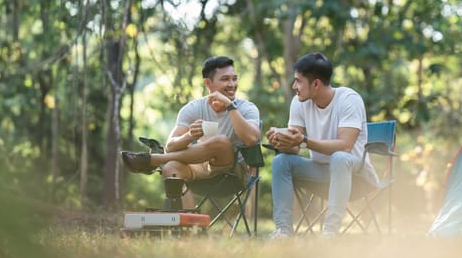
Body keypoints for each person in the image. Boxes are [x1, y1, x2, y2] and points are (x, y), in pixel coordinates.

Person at [122, 56, 261, 206]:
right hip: (200, 168)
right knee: (171, 168)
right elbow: (171, 146)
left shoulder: (247, 108)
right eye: (225, 79)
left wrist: (230, 106)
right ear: (208, 83)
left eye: (234, 79)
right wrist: (189, 136)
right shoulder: (193, 109)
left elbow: (251, 139)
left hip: (233, 175)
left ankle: (155, 160)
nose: (232, 84)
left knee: (220, 141)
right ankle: (190, 227)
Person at [266, 52, 378, 238]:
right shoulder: (299, 102)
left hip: (356, 176)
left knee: (340, 158)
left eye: (298, 81)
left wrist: (303, 141)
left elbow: (345, 146)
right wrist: (281, 140)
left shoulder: (349, 99)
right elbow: (295, 146)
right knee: (281, 161)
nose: (294, 86)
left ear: (316, 84)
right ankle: (283, 231)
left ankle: (330, 232)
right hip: (319, 174)